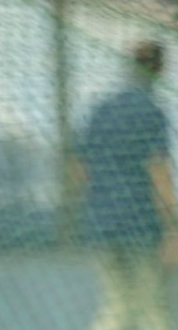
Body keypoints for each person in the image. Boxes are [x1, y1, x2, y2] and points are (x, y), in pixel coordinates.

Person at [74, 40, 178, 330]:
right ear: (159, 69)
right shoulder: (151, 111)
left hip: (101, 222)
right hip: (144, 226)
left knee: (115, 304)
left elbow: (81, 170)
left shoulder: (100, 110)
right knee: (152, 306)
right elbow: (159, 172)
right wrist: (173, 227)